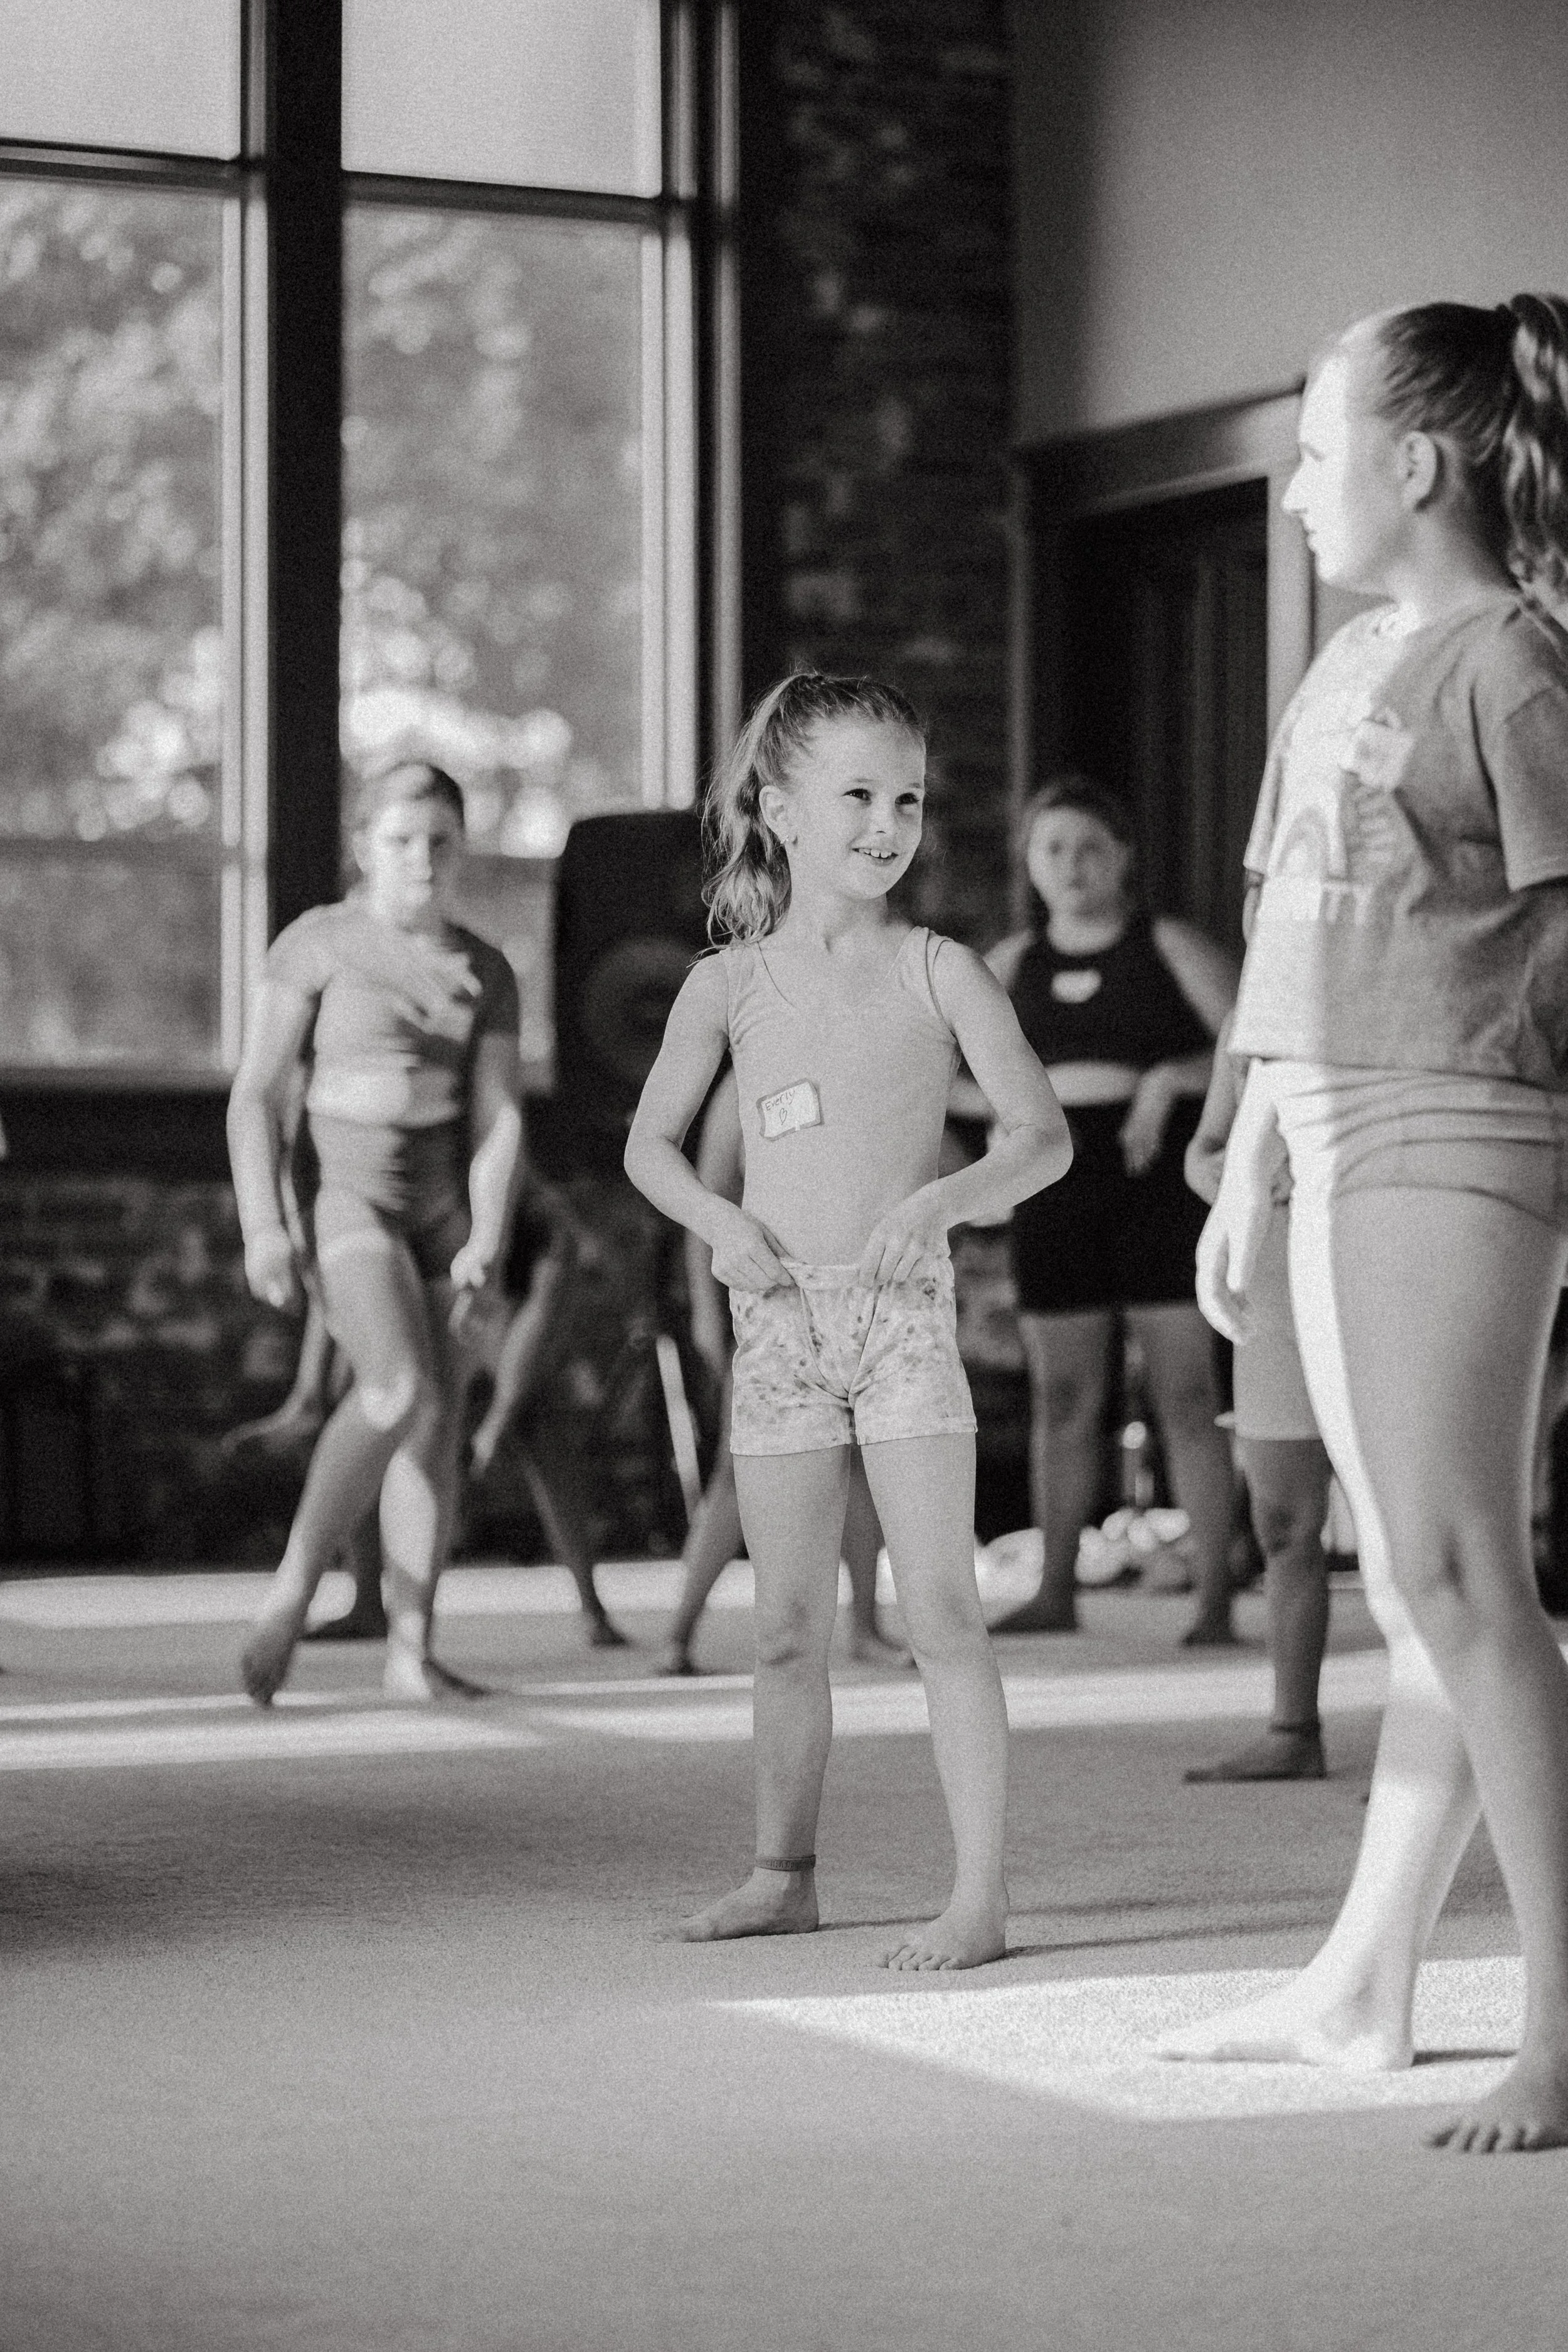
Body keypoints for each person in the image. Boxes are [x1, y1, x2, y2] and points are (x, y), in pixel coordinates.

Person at [1158, 296, 1568, 2156]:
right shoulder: (1332, 666)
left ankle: (1559, 2024)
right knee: (1417, 1582)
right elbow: (1278, 934)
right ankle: (1361, 1977)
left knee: (1465, 1580)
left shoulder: (1514, 666)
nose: (1296, 483)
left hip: (1456, 1129)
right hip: (1323, 1140)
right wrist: (1242, 1161)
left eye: (1317, 448)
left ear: (1415, 463)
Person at [625, 670, 1071, 1971]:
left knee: (939, 1609)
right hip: (775, 1325)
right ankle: (783, 1872)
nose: (887, 823)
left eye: (907, 799)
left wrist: (943, 1201)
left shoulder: (942, 970)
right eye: (858, 796)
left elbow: (1039, 1139)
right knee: (782, 1627)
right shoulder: (726, 986)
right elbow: (651, 1149)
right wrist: (719, 1226)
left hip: (898, 1320)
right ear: (778, 807)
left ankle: (978, 1896)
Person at [228, 760, 524, 1706]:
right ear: (365, 847)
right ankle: (293, 1589)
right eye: (400, 839)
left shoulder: (486, 968)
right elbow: (256, 1094)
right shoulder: (318, 942)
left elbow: (500, 1117)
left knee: (435, 1424)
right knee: (395, 1389)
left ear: (461, 848)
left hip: (441, 1212)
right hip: (348, 1201)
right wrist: (265, 1227)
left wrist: (488, 1230)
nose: (422, 859)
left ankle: (412, 1649)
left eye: (440, 840)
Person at [956, 777, 1239, 1640]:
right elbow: (939, 1075)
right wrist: (1017, 1121)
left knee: (1186, 1397)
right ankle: (1054, 1590)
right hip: (1055, 1192)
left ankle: (1218, 1596)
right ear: (1030, 865)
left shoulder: (1168, 943)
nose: (1072, 866)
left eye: (1090, 848)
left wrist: (1171, 1080)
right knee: (1065, 1397)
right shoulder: (1010, 964)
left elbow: (1252, 1036)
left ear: (1123, 859)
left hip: (1155, 1185)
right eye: (1053, 849)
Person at [658, 1067, 912, 1676]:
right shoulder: (747, 1074)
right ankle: (678, 1633)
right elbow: (708, 1202)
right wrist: (703, 1309)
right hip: (767, 1301)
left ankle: (866, 1627)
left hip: (861, 1295)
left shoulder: (870, 1062)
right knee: (734, 1471)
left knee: (856, 1461)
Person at [1182, 1015, 1335, 1780]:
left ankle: (1443, 1752)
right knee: (1280, 1518)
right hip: (1269, 1269)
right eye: (1252, 886)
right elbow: (1205, 1146)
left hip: (1369, 1252)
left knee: (1405, 1533)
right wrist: (1220, 1173)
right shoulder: (1249, 1019)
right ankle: (1291, 1729)